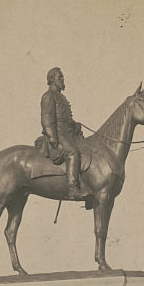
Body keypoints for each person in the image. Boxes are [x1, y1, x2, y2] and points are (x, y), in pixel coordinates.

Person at [41, 67, 83, 198]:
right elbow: (47, 119)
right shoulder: (49, 96)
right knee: (73, 153)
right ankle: (72, 189)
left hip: (67, 133)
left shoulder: (59, 96)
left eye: (62, 77)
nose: (63, 79)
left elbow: (64, 118)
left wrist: (74, 125)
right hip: (58, 135)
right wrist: (53, 139)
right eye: (60, 77)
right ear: (52, 80)